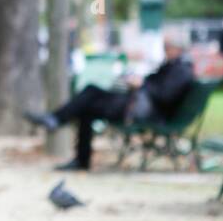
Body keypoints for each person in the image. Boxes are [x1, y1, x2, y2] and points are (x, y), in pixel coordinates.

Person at [24, 29, 196, 170]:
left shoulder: (181, 70)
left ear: (177, 48)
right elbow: (157, 85)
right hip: (139, 105)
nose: (165, 50)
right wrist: (139, 81)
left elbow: (164, 95)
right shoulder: (175, 66)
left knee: (90, 98)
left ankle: (57, 121)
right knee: (90, 97)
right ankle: (64, 133)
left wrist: (141, 84)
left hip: (145, 111)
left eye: (167, 46)